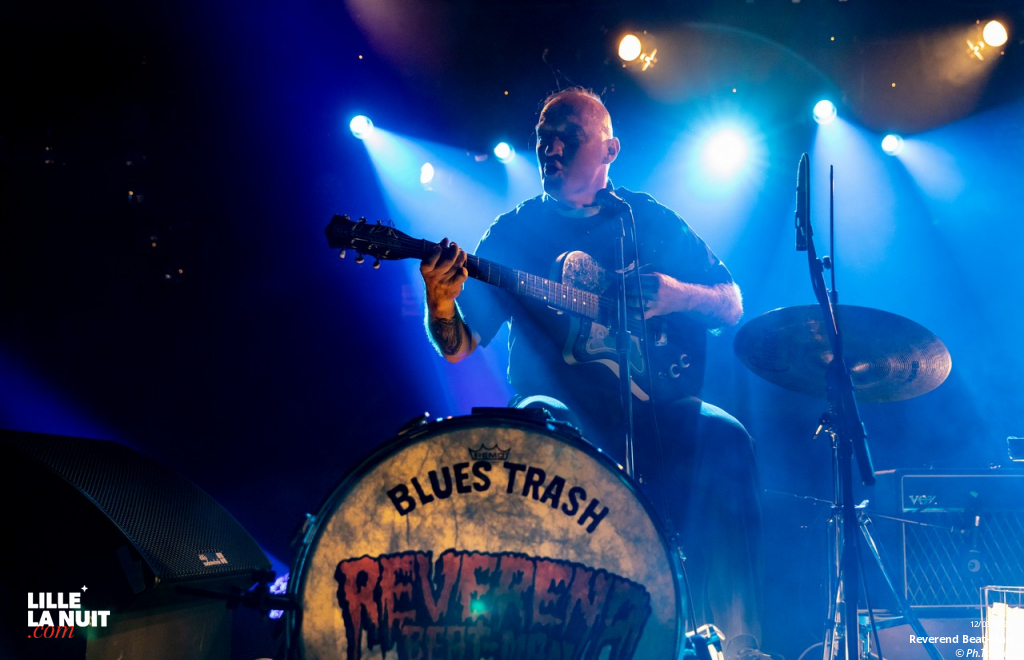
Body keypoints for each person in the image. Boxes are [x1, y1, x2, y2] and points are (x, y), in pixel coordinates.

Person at [419, 87, 766, 660]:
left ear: (610, 149)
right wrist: (439, 303)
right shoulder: (512, 234)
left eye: (567, 137)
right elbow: (460, 345)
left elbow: (730, 302)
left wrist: (678, 296)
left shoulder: (647, 219)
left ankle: (743, 644)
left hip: (654, 407)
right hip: (559, 421)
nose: (550, 149)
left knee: (728, 438)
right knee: (541, 418)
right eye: (542, 140)